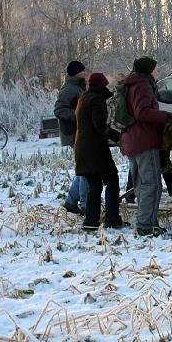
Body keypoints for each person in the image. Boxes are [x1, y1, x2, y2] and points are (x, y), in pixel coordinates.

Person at [120, 57, 172, 236]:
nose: (157, 72)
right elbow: (142, 112)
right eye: (156, 69)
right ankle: (146, 226)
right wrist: (165, 116)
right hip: (143, 139)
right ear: (149, 70)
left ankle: (148, 223)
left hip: (131, 139)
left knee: (141, 184)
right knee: (151, 184)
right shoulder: (143, 85)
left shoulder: (131, 84)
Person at [74, 73, 127, 230]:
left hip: (82, 149)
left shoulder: (84, 98)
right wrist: (117, 135)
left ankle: (91, 221)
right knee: (112, 181)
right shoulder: (96, 99)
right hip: (95, 150)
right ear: (101, 85)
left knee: (94, 186)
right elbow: (99, 125)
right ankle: (112, 219)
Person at [54, 60, 89, 215]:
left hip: (78, 133)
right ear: (76, 73)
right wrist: (78, 116)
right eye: (82, 72)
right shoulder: (69, 89)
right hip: (73, 134)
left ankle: (71, 201)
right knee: (86, 170)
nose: (85, 74)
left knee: (83, 169)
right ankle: (85, 205)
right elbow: (59, 110)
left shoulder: (77, 87)